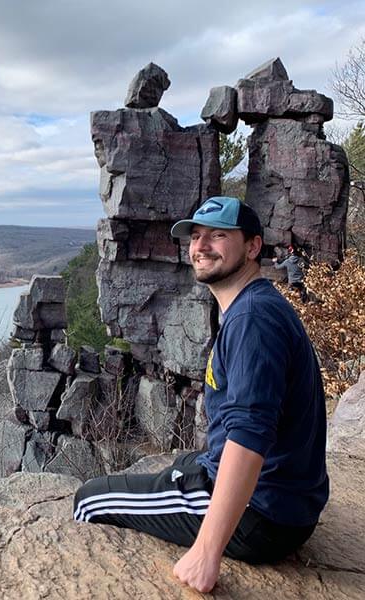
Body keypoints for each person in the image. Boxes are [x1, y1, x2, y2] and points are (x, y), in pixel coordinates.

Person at [73, 196, 328, 593]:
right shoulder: (254, 304)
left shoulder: (253, 319)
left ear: (253, 247)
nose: (201, 246)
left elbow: (250, 433)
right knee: (182, 463)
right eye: (195, 236)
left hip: (262, 515)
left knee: (90, 500)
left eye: (218, 235)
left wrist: (208, 551)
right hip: (283, 502)